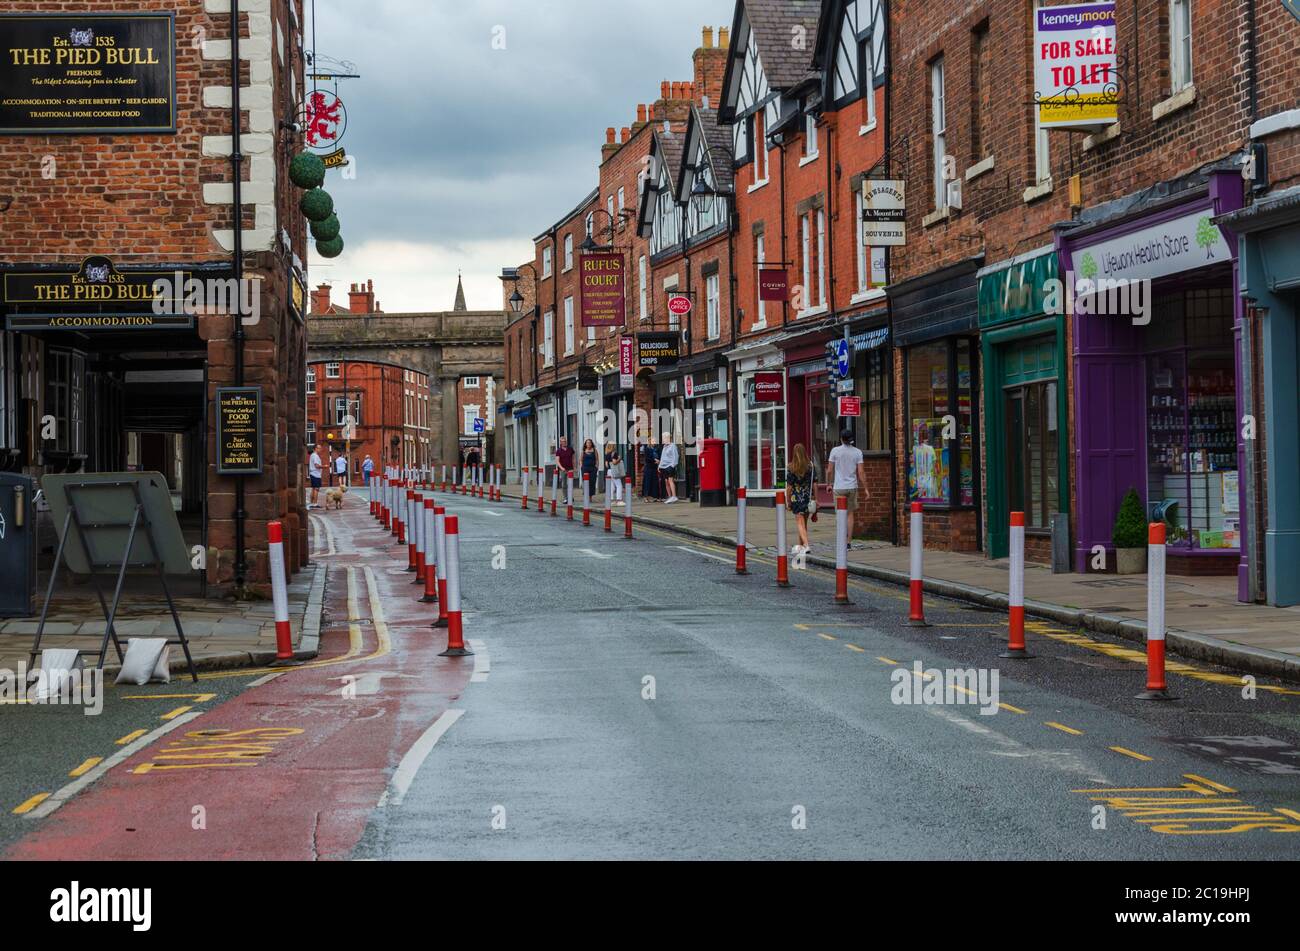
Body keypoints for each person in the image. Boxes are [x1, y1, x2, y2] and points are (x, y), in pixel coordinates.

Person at [827, 427, 868, 546]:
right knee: (850, 514)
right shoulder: (857, 452)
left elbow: (829, 470)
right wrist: (866, 488)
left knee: (840, 514)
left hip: (839, 487)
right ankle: (848, 541)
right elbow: (861, 472)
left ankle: (841, 539)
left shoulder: (835, 451)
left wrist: (829, 484)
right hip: (852, 487)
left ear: (841, 439)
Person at [787, 443, 814, 553]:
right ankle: (800, 546)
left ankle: (806, 545)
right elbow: (815, 484)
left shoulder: (791, 467)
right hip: (807, 497)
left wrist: (787, 501)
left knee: (800, 523)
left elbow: (789, 487)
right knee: (804, 524)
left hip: (796, 498)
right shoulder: (810, 466)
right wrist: (815, 498)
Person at [658, 431, 680, 503]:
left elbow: (675, 456)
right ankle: (670, 497)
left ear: (668, 438)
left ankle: (674, 496)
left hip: (670, 466)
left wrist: (672, 465)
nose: (662, 439)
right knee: (666, 481)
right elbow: (662, 457)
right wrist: (659, 466)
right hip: (664, 467)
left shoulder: (672, 446)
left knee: (670, 480)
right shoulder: (664, 446)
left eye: (663, 438)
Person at [307, 444, 323, 508]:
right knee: (316, 489)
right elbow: (317, 466)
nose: (320, 449)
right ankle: (315, 503)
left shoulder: (312, 455)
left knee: (313, 488)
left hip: (313, 474)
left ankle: (312, 503)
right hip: (315, 474)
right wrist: (324, 466)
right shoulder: (315, 456)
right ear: (315, 448)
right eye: (319, 448)